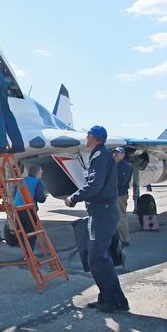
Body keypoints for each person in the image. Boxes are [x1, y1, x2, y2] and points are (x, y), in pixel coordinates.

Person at [64, 125, 129, 313]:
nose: (86, 137)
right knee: (100, 257)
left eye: (87, 135)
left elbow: (94, 185)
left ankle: (116, 301)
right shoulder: (102, 155)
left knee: (97, 258)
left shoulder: (100, 156)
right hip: (102, 212)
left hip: (102, 213)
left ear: (92, 137)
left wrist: (73, 198)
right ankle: (107, 297)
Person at [14, 164, 47, 250]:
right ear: (38, 173)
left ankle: (25, 250)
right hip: (28, 208)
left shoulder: (22, 180)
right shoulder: (38, 182)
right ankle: (29, 254)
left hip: (17, 208)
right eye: (41, 173)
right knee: (31, 232)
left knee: (22, 230)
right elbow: (41, 199)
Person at [113, 148, 133, 247]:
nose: (116, 154)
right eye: (115, 153)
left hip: (120, 195)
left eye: (118, 153)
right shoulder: (113, 165)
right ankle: (116, 239)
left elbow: (122, 182)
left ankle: (125, 240)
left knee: (121, 217)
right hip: (112, 194)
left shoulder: (126, 166)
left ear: (123, 155)